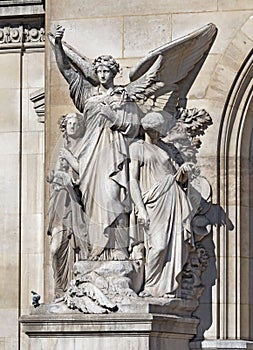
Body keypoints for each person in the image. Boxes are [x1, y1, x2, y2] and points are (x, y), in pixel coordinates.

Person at [54, 26, 141, 261]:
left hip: (113, 151)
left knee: (115, 195)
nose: (102, 75)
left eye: (107, 71)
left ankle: (120, 248)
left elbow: (134, 125)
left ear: (113, 73)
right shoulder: (87, 95)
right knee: (93, 203)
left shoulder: (121, 97)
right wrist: (58, 45)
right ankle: (97, 248)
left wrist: (113, 116)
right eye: (99, 71)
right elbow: (66, 70)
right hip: (90, 154)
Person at [129, 112, 194, 297]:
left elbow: (177, 176)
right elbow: (133, 180)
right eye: (155, 131)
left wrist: (184, 171)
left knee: (174, 244)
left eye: (159, 131)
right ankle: (150, 286)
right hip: (152, 201)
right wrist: (140, 208)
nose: (158, 134)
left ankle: (167, 288)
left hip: (173, 198)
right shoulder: (136, 148)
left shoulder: (168, 148)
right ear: (147, 130)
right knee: (157, 246)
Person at [47, 113, 88, 300]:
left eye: (75, 123)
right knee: (55, 249)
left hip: (77, 203)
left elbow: (85, 173)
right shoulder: (63, 149)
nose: (72, 126)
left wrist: (68, 176)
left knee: (77, 248)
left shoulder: (86, 147)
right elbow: (57, 175)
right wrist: (55, 177)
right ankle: (60, 286)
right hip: (60, 204)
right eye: (69, 123)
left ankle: (73, 285)